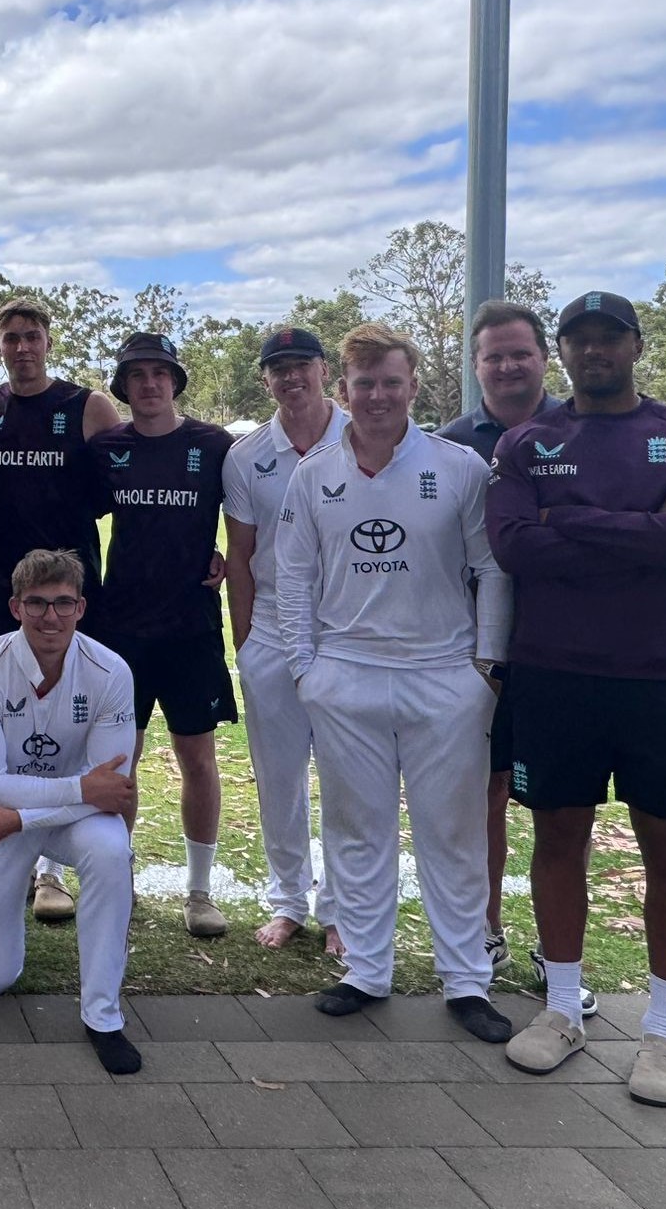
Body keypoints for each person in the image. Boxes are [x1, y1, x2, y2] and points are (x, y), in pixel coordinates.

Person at [490, 291, 666, 1106]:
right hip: (556, 673)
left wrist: (578, 520)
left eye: (609, 338)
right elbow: (518, 548)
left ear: (635, 345)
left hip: (664, 676)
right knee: (559, 839)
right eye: (580, 339)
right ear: (563, 350)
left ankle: (664, 1034)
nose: (594, 351)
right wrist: (644, 525)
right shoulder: (531, 441)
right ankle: (561, 1009)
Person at [277, 322, 513, 1042]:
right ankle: (366, 970)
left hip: (445, 676)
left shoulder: (460, 467)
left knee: (453, 832)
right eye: (364, 384)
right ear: (342, 391)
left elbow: (492, 570)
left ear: (413, 385)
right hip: (344, 676)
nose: (378, 396)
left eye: (391, 382)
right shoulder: (313, 474)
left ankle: (466, 980)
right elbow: (293, 575)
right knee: (356, 829)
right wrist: (305, 670)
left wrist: (486, 668)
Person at [435, 301, 586, 1006]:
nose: (507, 365)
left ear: (543, 357)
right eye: (493, 355)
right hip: (480, 653)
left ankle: (561, 959)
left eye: (520, 353)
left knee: (564, 809)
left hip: (570, 645)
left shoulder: (582, 427)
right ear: (475, 364)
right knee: (486, 795)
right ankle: (486, 931)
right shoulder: (452, 443)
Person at [0, 550, 143, 1073]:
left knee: (109, 846)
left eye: (62, 603)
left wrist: (28, 816)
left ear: (81, 607)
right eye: (37, 603)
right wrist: (70, 793)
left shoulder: (111, 671)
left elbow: (113, 791)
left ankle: (103, 1015)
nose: (50, 617)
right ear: (14, 606)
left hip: (60, 817)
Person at [0, 298, 122, 924]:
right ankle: (12, 841)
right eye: (10, 339)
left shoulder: (87, 406)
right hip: (5, 585)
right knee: (8, 712)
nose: (22, 347)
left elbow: (124, 483)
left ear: (49, 342)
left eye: (31, 336)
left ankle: (54, 872)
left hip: (70, 586)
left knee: (69, 714)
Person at [84, 332, 236, 937]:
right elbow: (66, 514)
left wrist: (228, 556)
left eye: (159, 373)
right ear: (124, 386)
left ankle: (199, 891)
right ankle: (118, 876)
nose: (149, 383)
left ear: (175, 381)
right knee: (123, 759)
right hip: (121, 628)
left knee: (196, 756)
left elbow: (249, 515)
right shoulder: (108, 448)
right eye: (137, 374)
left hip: (191, 627)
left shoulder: (213, 445)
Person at [222, 327, 348, 952]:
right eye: (279, 369)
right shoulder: (247, 456)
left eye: (302, 365)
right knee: (279, 775)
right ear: (266, 379)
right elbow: (239, 558)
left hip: (346, 630)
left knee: (348, 774)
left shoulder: (359, 438)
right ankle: (288, 900)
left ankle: (342, 911)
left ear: (324, 370)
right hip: (272, 627)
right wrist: (245, 642)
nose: (291, 377)